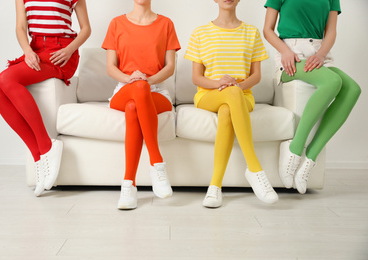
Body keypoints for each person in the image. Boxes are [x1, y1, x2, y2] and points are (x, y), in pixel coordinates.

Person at [0, 0, 91, 197]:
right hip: (35, 50)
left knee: (7, 79)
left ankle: (46, 146)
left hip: (61, 52)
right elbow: (20, 27)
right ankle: (38, 157)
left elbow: (86, 29)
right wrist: (27, 51)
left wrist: (69, 50)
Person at [185, 0, 278, 207]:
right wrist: (219, 83)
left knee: (228, 109)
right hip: (208, 96)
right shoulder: (200, 33)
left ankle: (214, 187)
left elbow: (256, 76)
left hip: (242, 96)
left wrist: (236, 85)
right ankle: (254, 169)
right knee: (230, 94)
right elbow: (196, 78)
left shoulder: (251, 32)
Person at [264, 0, 361, 194]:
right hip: (292, 56)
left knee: (352, 89)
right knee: (332, 82)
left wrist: (321, 55)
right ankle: (294, 148)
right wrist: (285, 51)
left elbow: (331, 32)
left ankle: (310, 158)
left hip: (319, 55)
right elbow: (268, 29)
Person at [102, 0, 181, 209]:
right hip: (125, 89)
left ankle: (128, 185)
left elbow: (170, 66)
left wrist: (147, 80)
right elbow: (111, 67)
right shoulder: (116, 23)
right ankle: (157, 163)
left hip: (156, 91)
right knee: (137, 89)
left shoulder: (166, 24)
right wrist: (132, 80)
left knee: (133, 107)